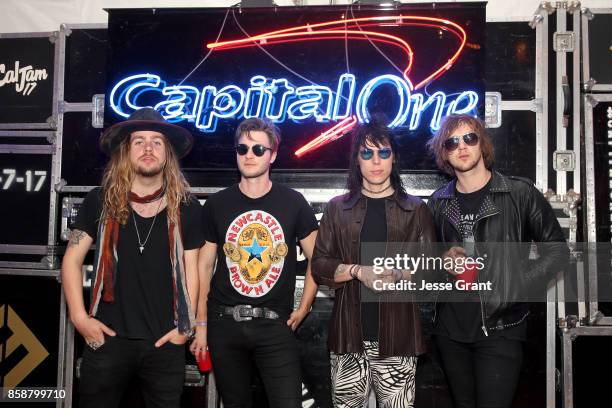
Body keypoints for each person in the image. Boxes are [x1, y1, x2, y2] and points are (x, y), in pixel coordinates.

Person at [61, 107, 204, 408]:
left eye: (156, 141)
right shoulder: (99, 200)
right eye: (139, 141)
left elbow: (193, 269)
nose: (148, 148)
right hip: (107, 338)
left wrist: (185, 328)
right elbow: (72, 260)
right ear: (126, 151)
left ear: (168, 153)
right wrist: (79, 318)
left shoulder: (187, 207)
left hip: (165, 342)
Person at [426, 114, 569, 408]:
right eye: (452, 142)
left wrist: (514, 286)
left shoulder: (519, 193)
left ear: (482, 143)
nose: (462, 146)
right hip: (450, 331)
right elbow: (428, 258)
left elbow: (557, 251)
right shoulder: (438, 202)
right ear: (444, 152)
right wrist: (442, 260)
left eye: (470, 138)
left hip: (500, 327)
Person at [191, 117, 319, 408]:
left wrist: (304, 306)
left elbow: (318, 258)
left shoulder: (293, 202)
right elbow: (203, 266)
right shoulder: (217, 204)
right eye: (242, 148)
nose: (249, 155)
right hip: (224, 323)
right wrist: (201, 324)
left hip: (274, 326)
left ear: (273, 154)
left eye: (258, 149)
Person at [311, 122, 436, 407]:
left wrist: (399, 273)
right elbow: (319, 265)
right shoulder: (337, 208)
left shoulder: (415, 209)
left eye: (383, 152)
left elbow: (430, 270)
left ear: (394, 157)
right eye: (367, 154)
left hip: (398, 340)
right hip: (348, 340)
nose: (376, 161)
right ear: (357, 160)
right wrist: (357, 271)